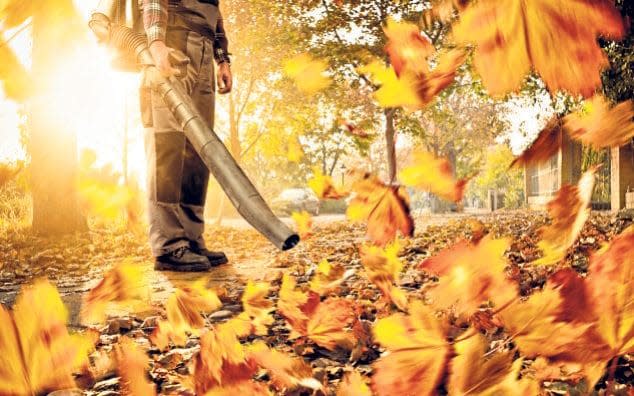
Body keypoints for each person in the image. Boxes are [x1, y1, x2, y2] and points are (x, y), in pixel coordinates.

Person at [141, 0, 233, 271]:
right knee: (167, 145)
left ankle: (192, 238)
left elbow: (215, 16)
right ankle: (168, 245)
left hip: (203, 48)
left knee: (198, 152)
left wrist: (222, 59)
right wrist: (156, 43)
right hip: (173, 45)